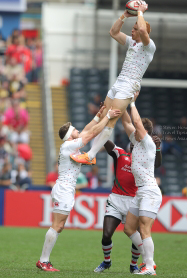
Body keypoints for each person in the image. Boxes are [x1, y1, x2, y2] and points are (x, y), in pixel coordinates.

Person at [36, 105, 121, 272]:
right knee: (57, 225)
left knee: (59, 226)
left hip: (65, 188)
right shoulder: (69, 146)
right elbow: (90, 134)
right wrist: (107, 117)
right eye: (74, 130)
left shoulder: (70, 145)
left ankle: (44, 260)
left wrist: (98, 116)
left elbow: (87, 129)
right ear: (70, 136)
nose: (77, 130)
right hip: (64, 189)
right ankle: (43, 261)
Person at [70, 2, 156, 165]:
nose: (133, 30)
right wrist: (124, 15)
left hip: (130, 85)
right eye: (133, 27)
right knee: (103, 115)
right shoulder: (132, 42)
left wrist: (140, 13)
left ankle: (91, 155)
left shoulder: (149, 46)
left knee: (111, 120)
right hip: (119, 82)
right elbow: (113, 32)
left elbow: (144, 30)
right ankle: (83, 147)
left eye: (135, 28)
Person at [94, 134, 162, 273]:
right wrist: (103, 126)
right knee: (106, 234)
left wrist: (158, 148)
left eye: (137, 143)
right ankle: (107, 262)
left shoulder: (144, 161)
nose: (133, 144)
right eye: (132, 142)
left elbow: (158, 164)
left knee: (136, 234)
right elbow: (105, 141)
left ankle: (133, 265)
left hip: (134, 201)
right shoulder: (120, 154)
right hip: (115, 200)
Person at [122, 93, 162, 275]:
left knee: (144, 229)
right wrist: (120, 103)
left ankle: (148, 267)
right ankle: (149, 260)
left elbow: (136, 123)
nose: (133, 131)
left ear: (143, 132)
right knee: (129, 228)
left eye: (137, 129)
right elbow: (127, 123)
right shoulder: (136, 141)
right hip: (140, 192)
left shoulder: (147, 143)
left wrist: (132, 102)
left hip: (150, 192)